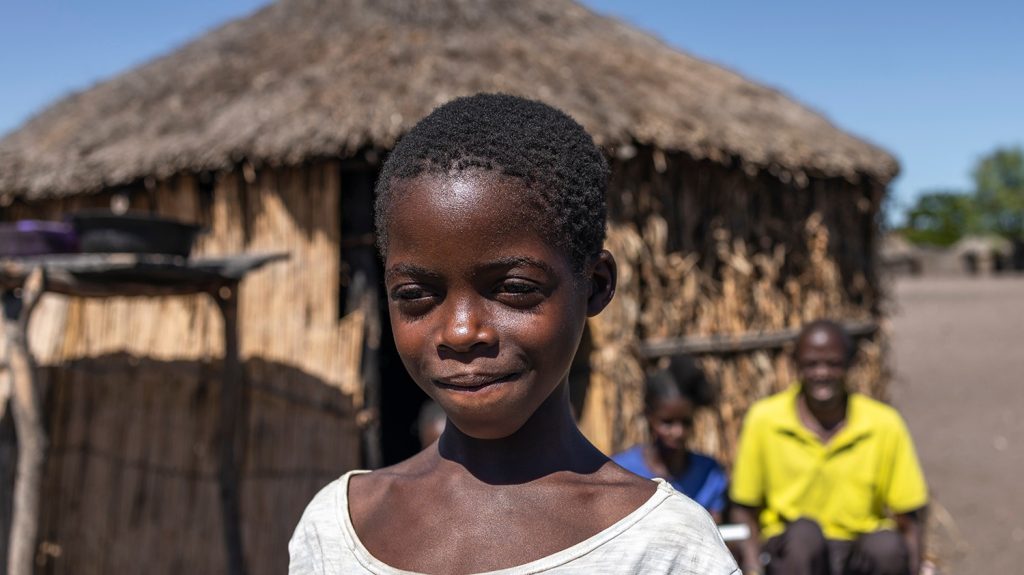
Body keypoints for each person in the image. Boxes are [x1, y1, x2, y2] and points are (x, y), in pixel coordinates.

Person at [288, 93, 738, 574]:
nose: (461, 332)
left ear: (596, 286)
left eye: (514, 289)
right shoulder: (338, 526)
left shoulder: (665, 546)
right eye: (416, 295)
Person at [730, 320, 928, 575]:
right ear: (796, 365)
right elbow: (744, 507)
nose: (821, 373)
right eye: (811, 364)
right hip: (793, 551)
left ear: (849, 365)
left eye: (832, 364)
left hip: (857, 546)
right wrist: (752, 566)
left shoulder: (883, 423)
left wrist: (917, 567)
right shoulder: (765, 420)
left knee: (886, 546)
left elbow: (909, 516)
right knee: (804, 535)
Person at [612, 356, 729, 522]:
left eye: (686, 423)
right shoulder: (622, 471)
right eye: (667, 423)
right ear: (649, 417)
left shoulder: (708, 473)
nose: (678, 432)